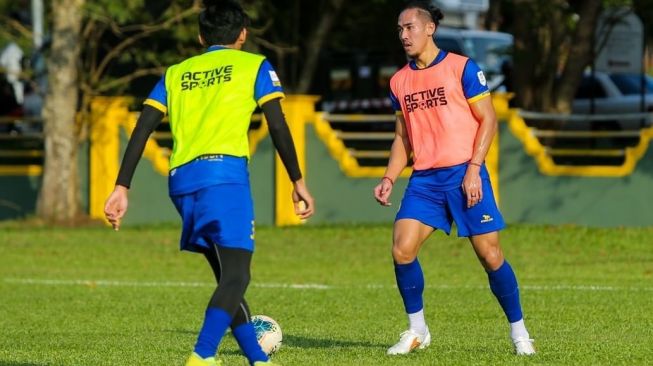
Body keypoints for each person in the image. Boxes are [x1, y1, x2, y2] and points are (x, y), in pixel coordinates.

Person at [103, 1, 314, 365]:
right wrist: (297, 180)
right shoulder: (254, 65)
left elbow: (142, 128)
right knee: (237, 276)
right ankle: (202, 356)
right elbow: (277, 125)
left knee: (226, 277)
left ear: (201, 36)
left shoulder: (176, 73)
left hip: (182, 182)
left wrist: (122, 186)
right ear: (243, 34)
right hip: (224, 177)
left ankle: (258, 360)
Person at [373, 1, 535, 356]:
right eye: (400, 30)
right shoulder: (399, 81)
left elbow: (489, 120)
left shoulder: (462, 68)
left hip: (465, 173)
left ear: (430, 28)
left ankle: (520, 333)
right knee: (402, 250)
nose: (404, 35)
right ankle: (417, 330)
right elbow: (403, 136)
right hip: (425, 181)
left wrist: (475, 168)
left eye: (410, 27)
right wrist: (389, 176)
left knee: (490, 255)